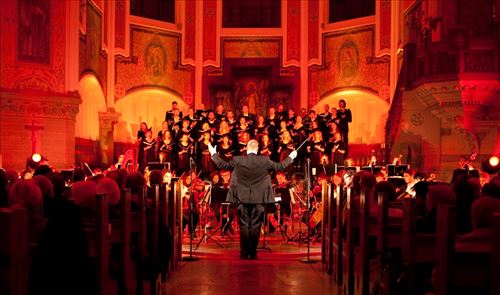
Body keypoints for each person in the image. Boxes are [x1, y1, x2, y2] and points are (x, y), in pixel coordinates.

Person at [208, 139, 297, 259]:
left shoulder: (238, 160)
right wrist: (291, 156)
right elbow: (280, 166)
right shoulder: (264, 160)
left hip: (242, 198)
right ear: (257, 149)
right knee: (255, 225)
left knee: (244, 225)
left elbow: (222, 165)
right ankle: (253, 252)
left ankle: (245, 253)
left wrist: (213, 153)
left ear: (246, 148)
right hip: (258, 198)